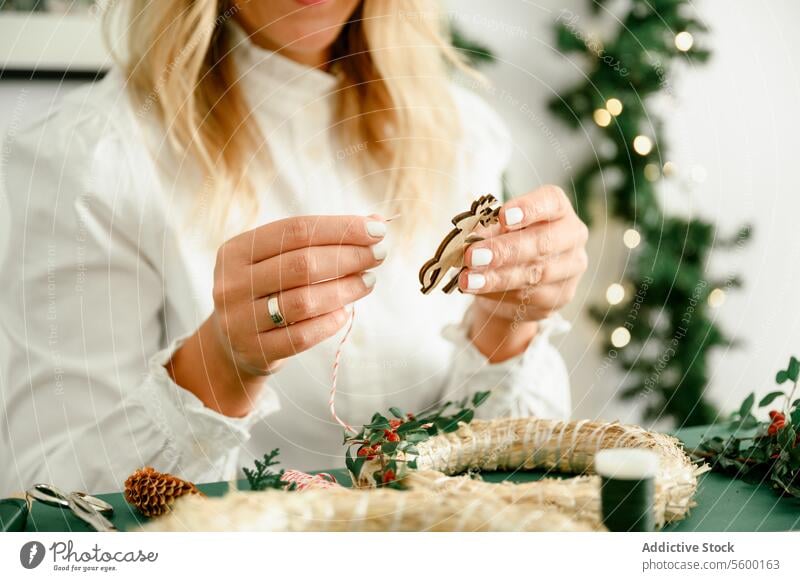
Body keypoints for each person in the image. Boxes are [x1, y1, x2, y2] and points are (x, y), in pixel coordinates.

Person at [0, 0, 588, 495]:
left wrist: (508, 325)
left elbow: (507, 479)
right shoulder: (90, 161)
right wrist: (219, 368)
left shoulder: (460, 131)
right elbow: (53, 503)